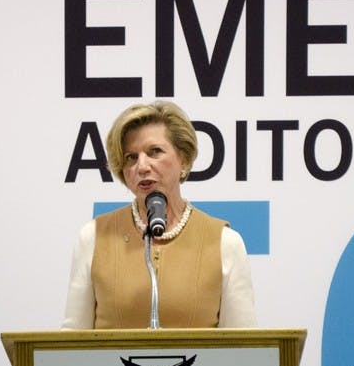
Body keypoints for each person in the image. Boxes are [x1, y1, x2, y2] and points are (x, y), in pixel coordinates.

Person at [62, 100, 257, 329]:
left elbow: (244, 349)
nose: (142, 166)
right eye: (131, 158)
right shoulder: (93, 237)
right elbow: (72, 343)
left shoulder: (226, 243)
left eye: (154, 152)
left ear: (183, 160)